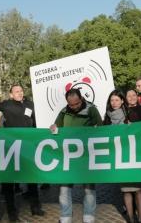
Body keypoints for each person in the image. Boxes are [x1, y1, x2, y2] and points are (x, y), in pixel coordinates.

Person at [0, 77, 45, 221]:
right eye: (16, 91)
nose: (20, 93)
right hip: (11, 147)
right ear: (11, 94)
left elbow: (38, 121)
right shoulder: (7, 105)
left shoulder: (30, 104)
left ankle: (35, 208)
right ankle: (12, 212)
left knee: (32, 178)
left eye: (21, 91)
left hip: (28, 146)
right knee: (9, 180)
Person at [50, 88, 102, 223]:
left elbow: (101, 128)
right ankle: (66, 216)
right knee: (64, 188)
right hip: (68, 156)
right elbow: (56, 126)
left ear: (82, 99)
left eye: (76, 104)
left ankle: (89, 215)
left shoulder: (91, 109)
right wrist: (54, 128)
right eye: (70, 104)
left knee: (89, 188)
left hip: (87, 156)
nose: (73, 107)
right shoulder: (64, 111)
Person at [104, 90, 141, 223]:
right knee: (126, 190)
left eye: (117, 100)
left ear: (122, 101)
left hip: (133, 156)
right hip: (119, 158)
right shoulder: (107, 118)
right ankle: (131, 219)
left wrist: (133, 128)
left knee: (138, 189)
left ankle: (140, 219)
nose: (114, 103)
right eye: (112, 100)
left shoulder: (130, 114)